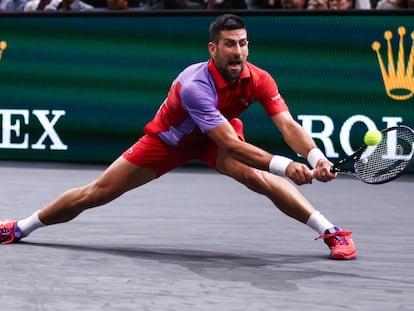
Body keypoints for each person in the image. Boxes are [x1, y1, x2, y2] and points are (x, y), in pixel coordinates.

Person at [0, 14, 356, 260]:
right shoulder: (194, 86)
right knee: (96, 194)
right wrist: (285, 165)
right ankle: (20, 228)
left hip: (216, 137)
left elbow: (288, 125)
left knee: (257, 177)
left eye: (244, 44)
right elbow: (231, 144)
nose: (239, 52)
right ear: (212, 49)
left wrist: (315, 158)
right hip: (169, 142)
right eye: (230, 45)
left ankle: (332, 232)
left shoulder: (258, 77)